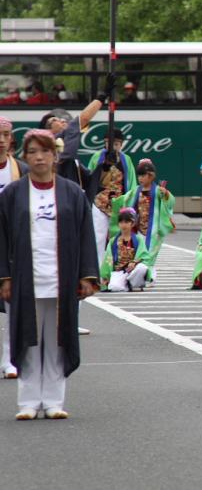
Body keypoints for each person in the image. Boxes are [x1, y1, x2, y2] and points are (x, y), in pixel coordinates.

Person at [0, 128, 98, 420]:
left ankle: (54, 401)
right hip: (25, 278)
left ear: (55, 155)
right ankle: (28, 402)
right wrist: (4, 277)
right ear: (24, 156)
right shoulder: (13, 194)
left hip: (61, 278)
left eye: (45, 151)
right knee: (28, 339)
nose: (39, 157)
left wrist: (87, 275)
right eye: (32, 152)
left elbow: (86, 235)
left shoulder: (72, 193)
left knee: (57, 340)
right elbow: (1, 238)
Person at [0, 116, 28, 380]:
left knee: (12, 304)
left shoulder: (21, 169)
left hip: (11, 243)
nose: (1, 140)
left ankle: (9, 358)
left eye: (5, 134)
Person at [109, 158, 175, 267]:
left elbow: (170, 202)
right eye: (139, 176)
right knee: (139, 253)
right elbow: (124, 199)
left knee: (150, 255)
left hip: (154, 230)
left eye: (143, 175)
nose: (140, 178)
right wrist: (115, 201)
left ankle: (148, 273)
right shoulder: (135, 191)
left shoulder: (158, 191)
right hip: (138, 228)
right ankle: (143, 272)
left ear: (151, 176)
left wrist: (166, 194)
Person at [87, 128, 136, 270]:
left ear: (121, 144)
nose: (113, 147)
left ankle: (118, 268)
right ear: (105, 143)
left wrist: (130, 203)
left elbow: (132, 183)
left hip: (120, 204)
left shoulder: (126, 160)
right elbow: (89, 178)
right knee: (98, 237)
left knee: (120, 237)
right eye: (109, 143)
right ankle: (98, 269)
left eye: (116, 144)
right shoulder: (97, 157)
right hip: (99, 203)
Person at [99, 207, 152, 292]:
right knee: (114, 287)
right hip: (120, 272)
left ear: (132, 224)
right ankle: (126, 284)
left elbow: (144, 256)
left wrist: (134, 262)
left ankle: (131, 283)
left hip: (133, 270)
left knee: (141, 268)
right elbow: (108, 259)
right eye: (121, 222)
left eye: (127, 222)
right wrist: (106, 277)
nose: (123, 225)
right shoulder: (113, 241)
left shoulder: (138, 239)